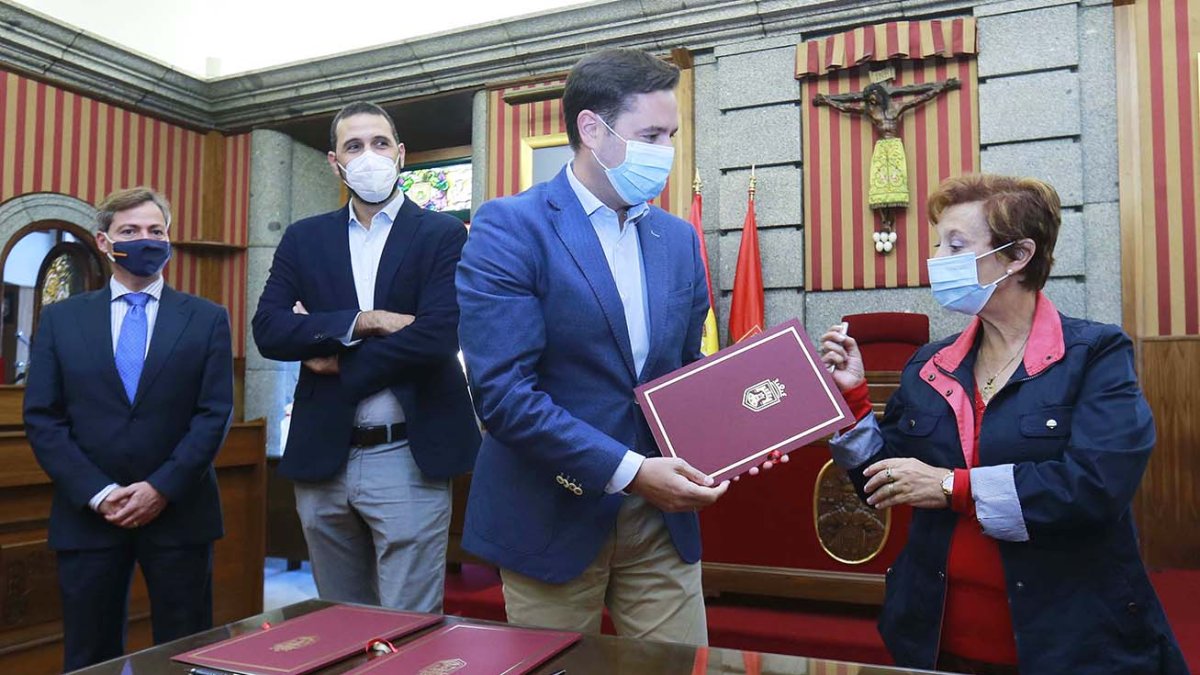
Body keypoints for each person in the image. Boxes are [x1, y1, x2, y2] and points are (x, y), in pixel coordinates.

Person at [819, 174, 1188, 674]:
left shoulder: (1095, 354)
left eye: (957, 245)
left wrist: (953, 486)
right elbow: (885, 483)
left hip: (1067, 644)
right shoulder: (930, 363)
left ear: (1018, 257)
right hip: (933, 638)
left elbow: (1096, 486)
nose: (938, 260)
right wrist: (854, 404)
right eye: (938, 244)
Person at [456, 48, 731, 645]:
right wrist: (631, 473)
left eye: (672, 134)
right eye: (650, 133)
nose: (666, 150)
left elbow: (684, 371)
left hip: (661, 522)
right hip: (551, 511)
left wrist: (749, 428)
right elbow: (503, 396)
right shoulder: (511, 227)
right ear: (591, 128)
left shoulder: (678, 239)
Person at [252, 101, 480, 613]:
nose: (369, 155)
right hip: (323, 456)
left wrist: (339, 359)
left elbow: (440, 336)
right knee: (339, 619)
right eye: (354, 146)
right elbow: (270, 330)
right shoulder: (304, 239)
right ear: (336, 163)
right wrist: (366, 321)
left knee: (407, 624)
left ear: (400, 155)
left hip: (407, 454)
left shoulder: (442, 234)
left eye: (380, 144)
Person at [23, 187, 233, 671]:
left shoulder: (206, 319)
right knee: (89, 655)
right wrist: (98, 492)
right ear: (103, 241)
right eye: (130, 232)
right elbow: (43, 417)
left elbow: (213, 414)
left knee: (185, 654)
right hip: (89, 514)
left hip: (180, 511)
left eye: (156, 231)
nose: (146, 240)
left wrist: (161, 488)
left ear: (169, 238)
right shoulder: (61, 319)